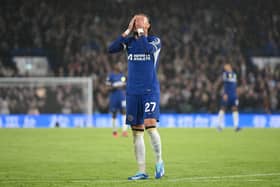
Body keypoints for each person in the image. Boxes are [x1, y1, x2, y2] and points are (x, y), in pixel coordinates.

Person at [108, 14, 164, 180]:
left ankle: (159, 162)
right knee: (136, 132)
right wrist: (126, 32)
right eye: (135, 19)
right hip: (133, 92)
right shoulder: (129, 42)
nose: (138, 21)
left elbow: (147, 49)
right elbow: (111, 49)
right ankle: (142, 171)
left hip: (149, 91)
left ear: (148, 25)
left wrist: (140, 33)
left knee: (150, 126)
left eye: (142, 20)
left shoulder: (155, 41)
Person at [106, 62, 128, 137]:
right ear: (115, 66)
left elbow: (126, 86)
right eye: (119, 65)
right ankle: (114, 132)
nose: (121, 66)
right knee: (114, 114)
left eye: (121, 65)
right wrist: (115, 86)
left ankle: (124, 131)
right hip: (114, 97)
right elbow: (107, 88)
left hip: (122, 97)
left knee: (124, 112)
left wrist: (124, 85)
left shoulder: (122, 76)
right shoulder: (111, 76)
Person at [217, 63, 241, 131]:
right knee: (223, 109)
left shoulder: (234, 74)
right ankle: (219, 126)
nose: (226, 67)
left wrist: (236, 93)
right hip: (227, 94)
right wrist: (225, 93)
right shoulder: (225, 74)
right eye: (225, 67)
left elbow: (235, 85)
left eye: (227, 66)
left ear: (230, 66)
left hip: (233, 95)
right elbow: (225, 84)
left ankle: (236, 126)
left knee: (235, 109)